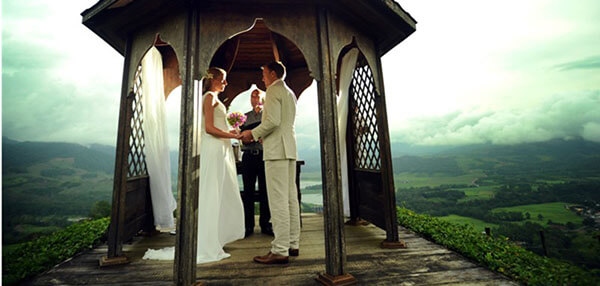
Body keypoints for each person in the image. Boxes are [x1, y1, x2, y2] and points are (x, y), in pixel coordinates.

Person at [144, 67, 245, 263]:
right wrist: (233, 135)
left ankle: (215, 236)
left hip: (219, 148)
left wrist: (230, 130)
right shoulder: (209, 97)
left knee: (219, 191)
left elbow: (216, 125)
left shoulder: (213, 98)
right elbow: (209, 129)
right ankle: (206, 242)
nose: (225, 83)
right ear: (213, 79)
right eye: (222, 80)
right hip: (214, 148)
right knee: (211, 192)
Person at [241, 61, 300, 264]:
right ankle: (293, 244)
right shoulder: (289, 91)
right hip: (290, 149)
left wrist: (252, 133)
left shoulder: (274, 90)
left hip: (276, 151)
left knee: (278, 200)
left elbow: (272, 121)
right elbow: (282, 122)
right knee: (291, 198)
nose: (262, 78)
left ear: (273, 73)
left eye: (264, 73)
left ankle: (280, 249)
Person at [240, 88, 273, 238]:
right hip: (248, 156)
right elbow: (241, 137)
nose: (255, 98)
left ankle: (266, 224)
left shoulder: (268, 115)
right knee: (248, 192)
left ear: (263, 99)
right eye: (253, 96)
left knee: (266, 191)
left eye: (258, 95)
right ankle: (248, 226)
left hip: (263, 156)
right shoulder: (243, 117)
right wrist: (246, 136)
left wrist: (259, 136)